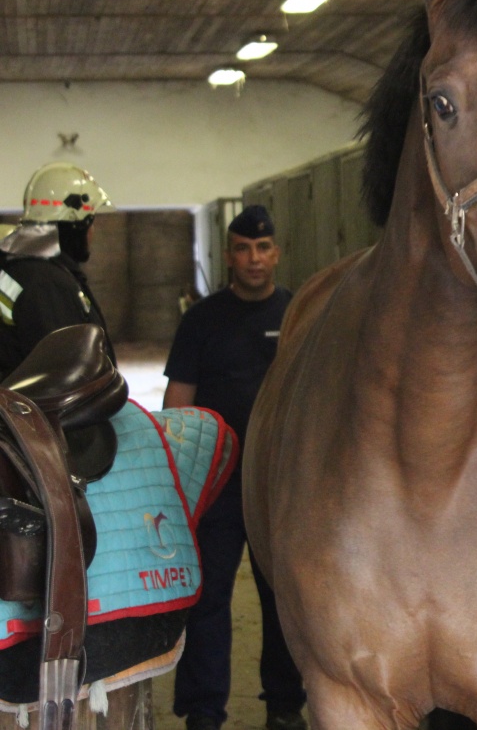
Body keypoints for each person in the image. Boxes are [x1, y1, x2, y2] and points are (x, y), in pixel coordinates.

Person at [163, 205, 307, 730]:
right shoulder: (201, 320)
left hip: (277, 488)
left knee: (284, 603)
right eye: (243, 249)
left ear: (277, 253)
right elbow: (178, 403)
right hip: (218, 486)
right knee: (207, 601)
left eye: (263, 249)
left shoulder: (297, 314)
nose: (254, 259)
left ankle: (285, 706)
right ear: (228, 255)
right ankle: (203, 712)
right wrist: (178, 480)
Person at [0, 162, 116, 377]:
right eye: (91, 222)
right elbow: (66, 375)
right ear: (76, 224)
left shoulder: (18, 265)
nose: (93, 232)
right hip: (42, 409)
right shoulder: (46, 284)